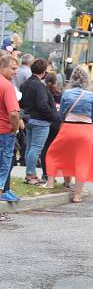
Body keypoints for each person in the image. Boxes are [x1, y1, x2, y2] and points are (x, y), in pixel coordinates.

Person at [45, 66, 93, 202]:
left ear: (72, 78)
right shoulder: (91, 95)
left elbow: (62, 113)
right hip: (85, 130)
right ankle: (77, 195)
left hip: (69, 127)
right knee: (82, 161)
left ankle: (51, 183)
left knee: (54, 153)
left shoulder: (67, 93)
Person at [19, 58, 58, 185]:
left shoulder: (25, 83)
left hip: (28, 118)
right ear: (44, 71)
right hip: (40, 121)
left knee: (30, 147)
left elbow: (21, 101)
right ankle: (31, 175)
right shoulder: (39, 86)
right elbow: (42, 105)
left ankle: (30, 174)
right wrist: (52, 116)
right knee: (36, 148)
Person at [0, 54, 22, 206]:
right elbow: (14, 113)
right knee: (3, 167)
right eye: (13, 68)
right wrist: (14, 129)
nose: (16, 72)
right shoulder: (7, 87)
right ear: (2, 68)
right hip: (4, 131)